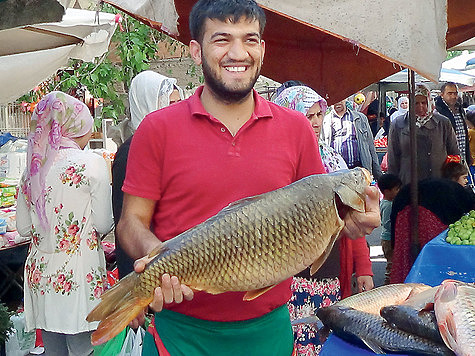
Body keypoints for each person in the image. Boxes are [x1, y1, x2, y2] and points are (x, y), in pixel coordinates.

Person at [116, 1, 380, 355]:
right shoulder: (156, 129)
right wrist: (159, 261)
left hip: (267, 331)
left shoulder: (297, 128)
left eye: (250, 40)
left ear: (263, 49)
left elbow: (321, 215)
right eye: (222, 39)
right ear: (196, 50)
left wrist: (352, 222)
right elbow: (130, 222)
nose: (238, 53)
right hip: (179, 334)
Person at [274, 85, 374, 355]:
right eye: (308, 116)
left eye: (319, 114)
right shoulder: (277, 164)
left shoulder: (334, 161)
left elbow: (351, 220)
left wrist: (363, 267)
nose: (316, 122)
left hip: (329, 275)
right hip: (287, 278)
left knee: (324, 342)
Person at [15, 91, 113, 355]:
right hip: (77, 273)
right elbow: (104, 224)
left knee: (53, 348)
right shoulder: (92, 163)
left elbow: (23, 228)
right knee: (84, 348)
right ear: (73, 126)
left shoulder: (31, 170)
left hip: (41, 274)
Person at [112, 70, 183, 278]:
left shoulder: (176, 146)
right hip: (149, 268)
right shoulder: (131, 152)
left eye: (179, 103)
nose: (177, 111)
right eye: (169, 104)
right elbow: (126, 222)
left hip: (179, 267)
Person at [389, 178, 475, 283]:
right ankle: (420, 284)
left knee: (404, 249)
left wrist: (393, 242)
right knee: (427, 256)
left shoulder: (455, 190)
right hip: (423, 211)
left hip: (404, 208)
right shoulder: (462, 198)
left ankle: (403, 282)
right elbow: (455, 221)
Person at [387, 83, 460, 185]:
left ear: (429, 102)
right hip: (409, 184)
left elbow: (454, 153)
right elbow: (393, 158)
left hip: (439, 183)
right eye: (416, 103)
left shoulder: (443, 123)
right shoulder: (399, 124)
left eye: (424, 103)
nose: (420, 107)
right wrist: (393, 185)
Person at [322, 98, 382, 180]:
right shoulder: (325, 120)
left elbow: (370, 146)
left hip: (358, 169)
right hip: (336, 172)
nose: (338, 103)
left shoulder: (360, 118)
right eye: (334, 100)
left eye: (340, 99)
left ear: (345, 99)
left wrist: (378, 175)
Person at [435, 82, 471, 166]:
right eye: (450, 93)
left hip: (462, 157)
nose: (453, 96)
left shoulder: (459, 109)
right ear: (442, 94)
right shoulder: (438, 112)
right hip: (447, 159)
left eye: (455, 93)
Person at [377, 173, 402, 285]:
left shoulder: (387, 203)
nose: (399, 191)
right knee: (391, 264)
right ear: (387, 191)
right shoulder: (388, 205)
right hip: (388, 239)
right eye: (396, 189)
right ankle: (388, 284)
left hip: (387, 238)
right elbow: (387, 224)